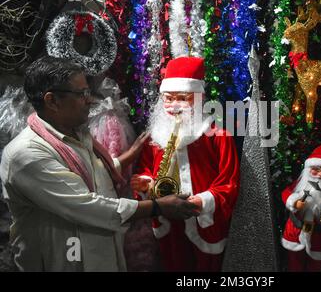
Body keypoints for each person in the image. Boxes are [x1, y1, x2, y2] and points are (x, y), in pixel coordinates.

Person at [0, 56, 199, 271]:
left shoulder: (76, 135)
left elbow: (90, 174)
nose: (90, 100)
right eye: (81, 94)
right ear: (52, 101)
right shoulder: (26, 155)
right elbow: (86, 205)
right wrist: (158, 207)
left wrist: (124, 159)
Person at [131, 56, 240, 272]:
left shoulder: (218, 136)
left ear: (199, 98)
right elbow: (145, 169)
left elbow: (230, 181)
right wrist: (145, 183)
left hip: (204, 221)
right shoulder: (157, 136)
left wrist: (203, 201)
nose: (173, 106)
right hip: (168, 220)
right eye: (168, 98)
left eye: (183, 98)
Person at [281, 143, 321, 272]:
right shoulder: (300, 183)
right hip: (296, 230)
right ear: (308, 168)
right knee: (294, 262)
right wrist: (294, 202)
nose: (320, 175)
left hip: (319, 234)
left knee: (316, 265)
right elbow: (286, 193)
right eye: (316, 169)